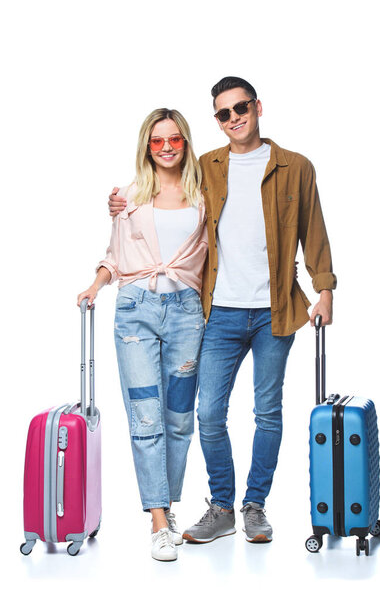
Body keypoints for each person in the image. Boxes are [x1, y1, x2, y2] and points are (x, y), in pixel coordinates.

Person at [108, 76, 337, 546]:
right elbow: (163, 183)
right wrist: (121, 198)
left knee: (267, 412)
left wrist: (325, 288)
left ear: (257, 106)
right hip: (218, 312)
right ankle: (222, 506)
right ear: (217, 120)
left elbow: (313, 228)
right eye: (224, 113)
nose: (234, 118)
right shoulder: (207, 166)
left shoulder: (296, 166)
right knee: (209, 414)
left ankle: (255, 506)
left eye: (241, 108)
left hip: (276, 310)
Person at [78, 108, 208, 561]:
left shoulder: (204, 195)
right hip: (136, 310)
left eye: (174, 139)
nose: (167, 147)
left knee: (178, 418)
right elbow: (114, 255)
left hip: (187, 313)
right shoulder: (130, 195)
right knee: (146, 417)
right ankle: (157, 520)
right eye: (157, 141)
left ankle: (168, 506)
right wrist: (96, 284)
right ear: (146, 146)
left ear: (186, 143)